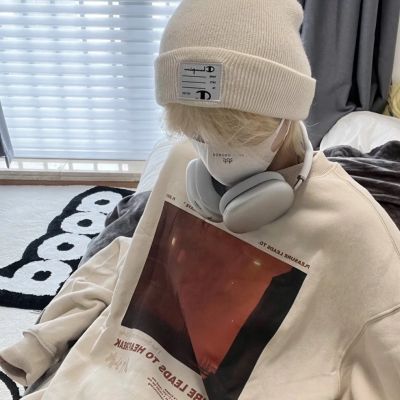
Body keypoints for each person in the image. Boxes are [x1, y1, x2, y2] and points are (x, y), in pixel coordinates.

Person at [1, 0, 400, 399]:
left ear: (287, 113)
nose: (212, 156)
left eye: (234, 135)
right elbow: (130, 258)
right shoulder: (181, 162)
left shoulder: (357, 231)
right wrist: (43, 338)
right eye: (196, 134)